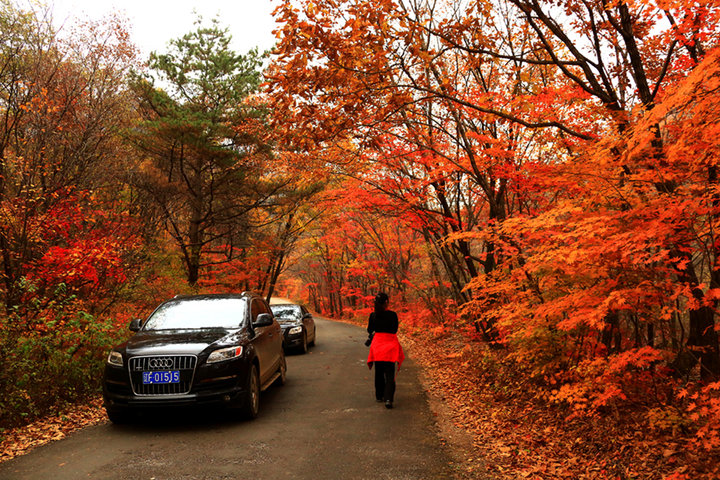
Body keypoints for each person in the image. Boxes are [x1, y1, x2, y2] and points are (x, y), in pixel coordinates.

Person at [365, 292, 404, 409]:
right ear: (386, 302)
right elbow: (394, 330)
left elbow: (369, 330)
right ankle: (388, 399)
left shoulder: (373, 315)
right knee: (389, 373)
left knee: (379, 372)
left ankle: (379, 395)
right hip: (390, 347)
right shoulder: (392, 315)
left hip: (377, 347)